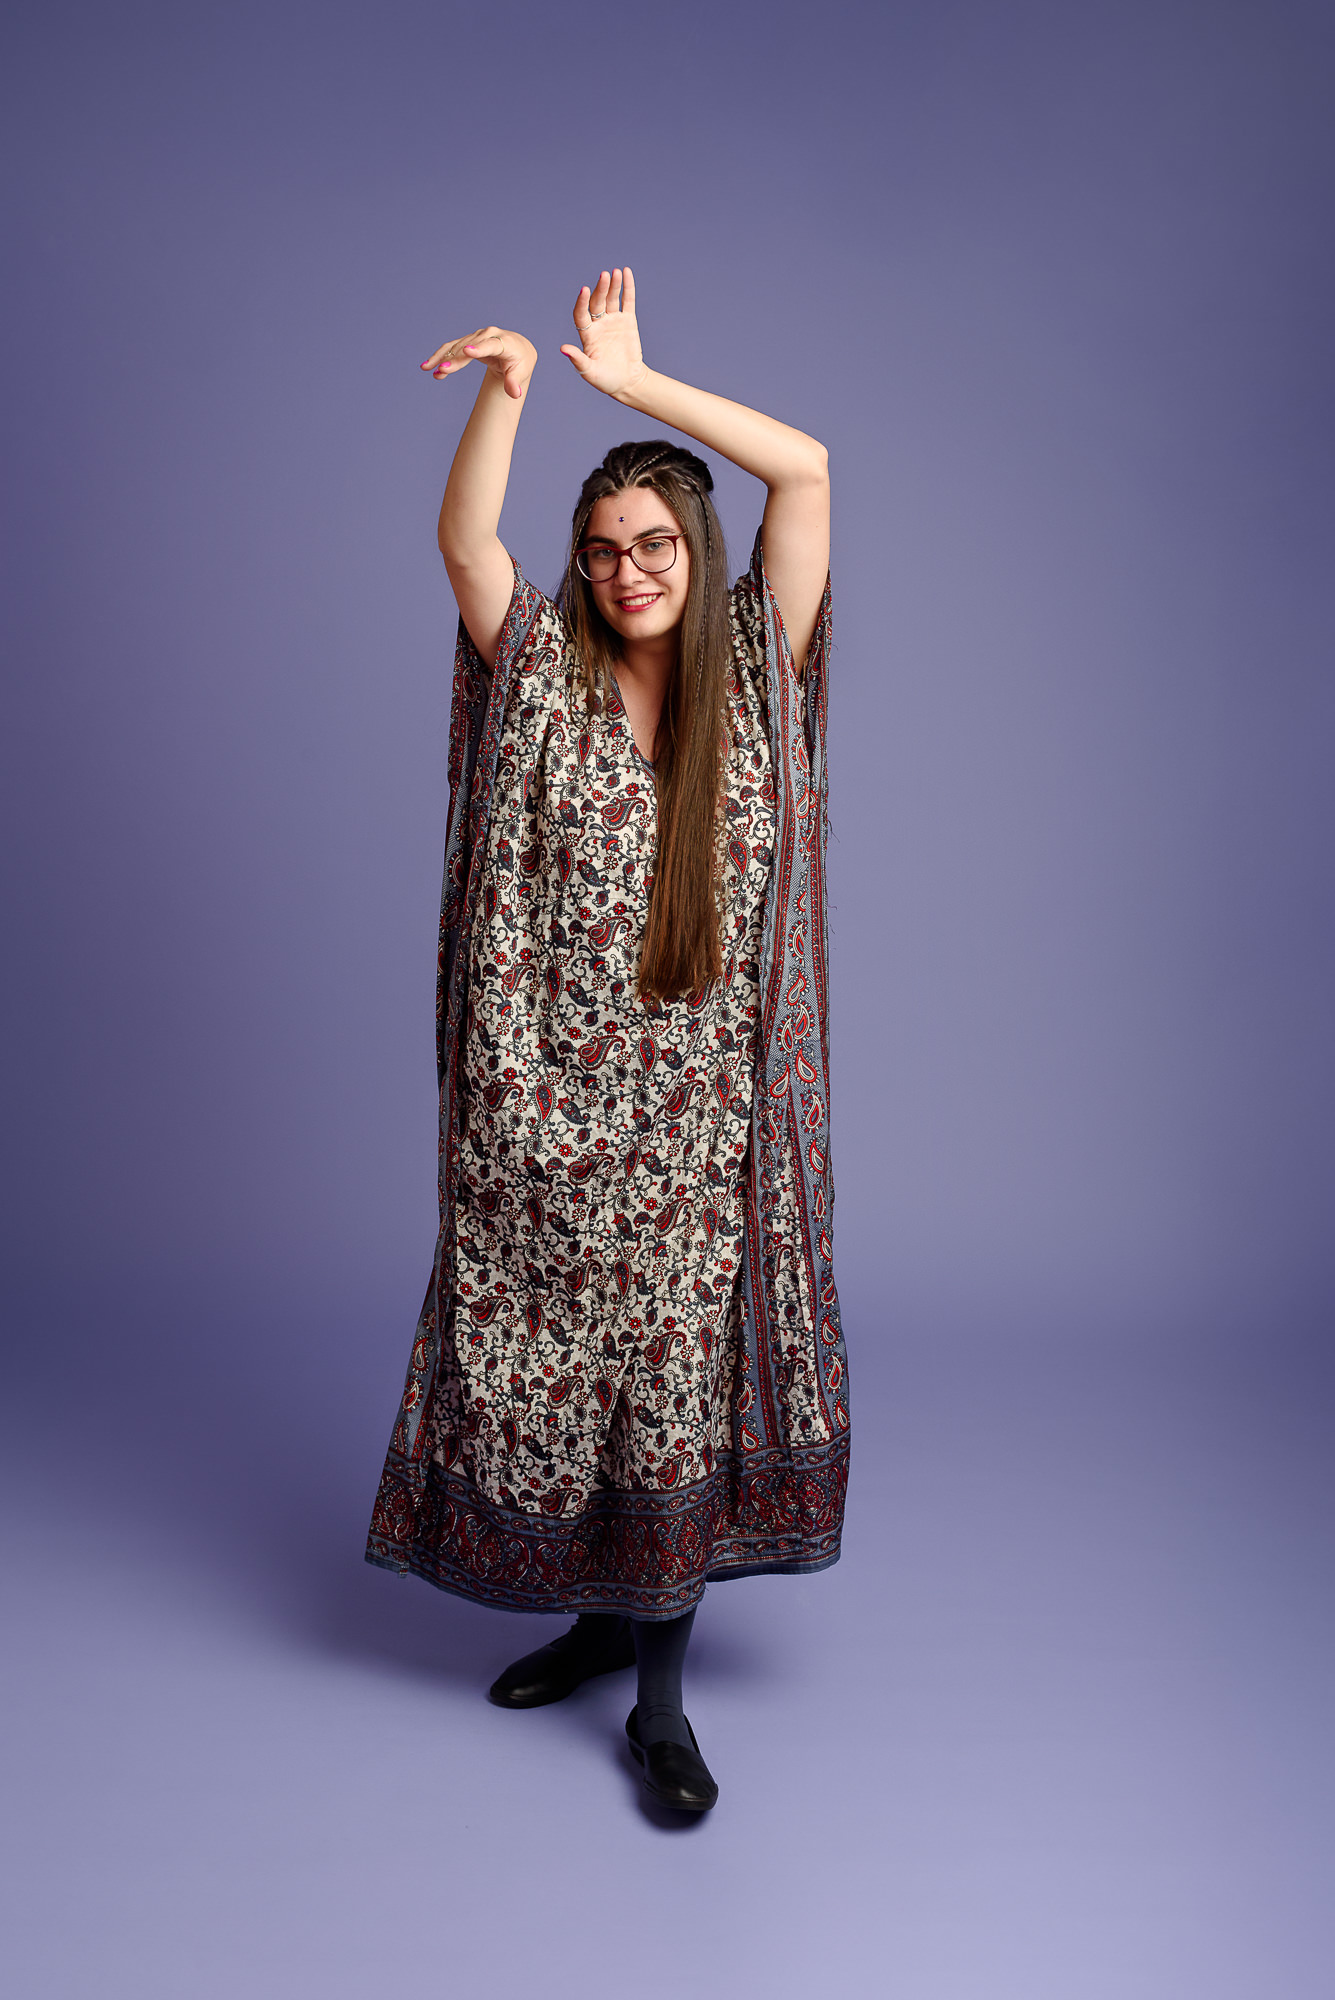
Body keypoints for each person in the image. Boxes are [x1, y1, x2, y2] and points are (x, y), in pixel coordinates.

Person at [366, 268, 849, 1814]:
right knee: (567, 1385)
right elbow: (465, 544)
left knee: (673, 1394)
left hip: (700, 1133)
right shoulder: (544, 681)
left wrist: (635, 390)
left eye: (653, 544)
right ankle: (591, 1622)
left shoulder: (759, 675)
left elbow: (806, 470)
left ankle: (659, 1703)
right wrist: (512, 394)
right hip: (551, 1122)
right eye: (601, 549)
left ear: (694, 550)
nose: (626, 570)